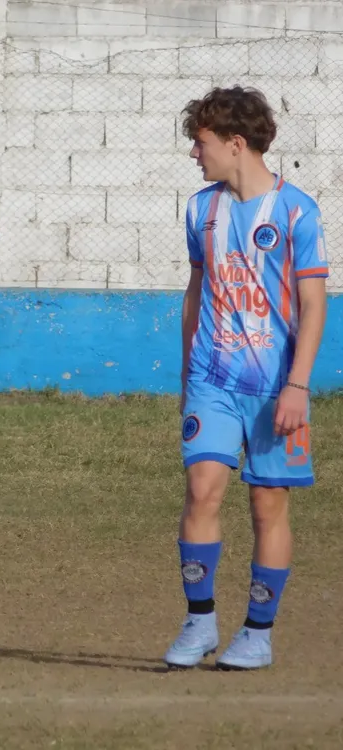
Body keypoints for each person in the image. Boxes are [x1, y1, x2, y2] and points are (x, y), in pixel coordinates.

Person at [165, 86, 329, 670]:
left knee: (267, 507)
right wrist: (188, 372)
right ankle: (200, 620)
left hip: (275, 388)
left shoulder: (296, 212)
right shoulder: (199, 210)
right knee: (202, 488)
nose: (194, 154)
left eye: (200, 142)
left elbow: (314, 304)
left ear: (235, 144)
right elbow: (195, 291)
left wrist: (298, 385)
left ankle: (257, 633)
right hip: (212, 379)